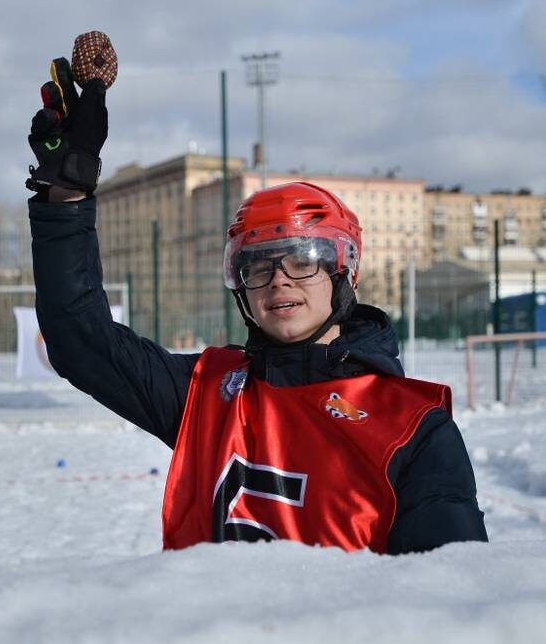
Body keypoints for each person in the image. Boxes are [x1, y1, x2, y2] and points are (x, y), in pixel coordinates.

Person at [25, 57, 487, 554]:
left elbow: (450, 592)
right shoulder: (204, 394)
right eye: (258, 266)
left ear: (344, 271)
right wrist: (66, 199)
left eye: (302, 260)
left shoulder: (415, 427)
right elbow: (79, 341)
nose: (278, 281)